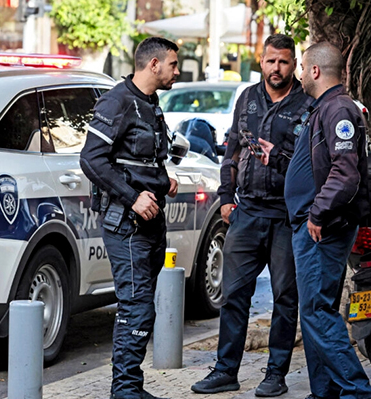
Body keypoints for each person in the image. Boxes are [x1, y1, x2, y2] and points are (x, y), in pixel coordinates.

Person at [190, 34, 311, 397]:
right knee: (233, 296)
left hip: (287, 217)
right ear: (261, 60)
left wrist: (278, 158)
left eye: (284, 62)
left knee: (285, 299)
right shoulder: (246, 98)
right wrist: (226, 198)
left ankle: (276, 375)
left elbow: (311, 168)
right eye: (271, 61)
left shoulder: (307, 104)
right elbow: (232, 149)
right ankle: (225, 370)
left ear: (294, 65)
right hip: (247, 213)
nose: (277, 68)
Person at [258, 42, 371, 399]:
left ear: (313, 71)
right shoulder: (324, 108)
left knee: (316, 311)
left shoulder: (338, 109)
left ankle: (357, 392)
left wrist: (318, 212)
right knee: (313, 313)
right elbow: (316, 165)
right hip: (310, 226)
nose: (297, 75)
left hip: (322, 228)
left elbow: (345, 173)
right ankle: (323, 391)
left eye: (301, 68)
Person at [79, 37, 180, 399]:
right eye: (172, 64)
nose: (177, 71)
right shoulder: (116, 101)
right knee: (135, 306)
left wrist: (162, 177)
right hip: (126, 222)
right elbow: (91, 159)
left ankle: (130, 387)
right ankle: (123, 391)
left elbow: (140, 157)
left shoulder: (151, 104)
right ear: (153, 65)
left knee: (143, 306)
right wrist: (134, 197)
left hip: (152, 219)